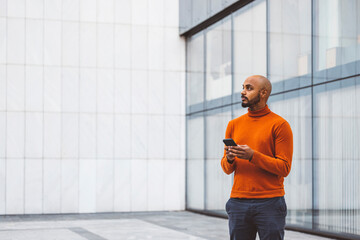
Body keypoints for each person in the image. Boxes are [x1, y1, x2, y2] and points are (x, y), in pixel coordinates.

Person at [221, 75, 293, 240]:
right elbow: (226, 168)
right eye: (243, 87)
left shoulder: (280, 125)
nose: (243, 92)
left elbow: (284, 168)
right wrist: (230, 158)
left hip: (270, 203)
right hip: (238, 202)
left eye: (249, 88)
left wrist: (253, 156)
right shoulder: (233, 124)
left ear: (263, 93)